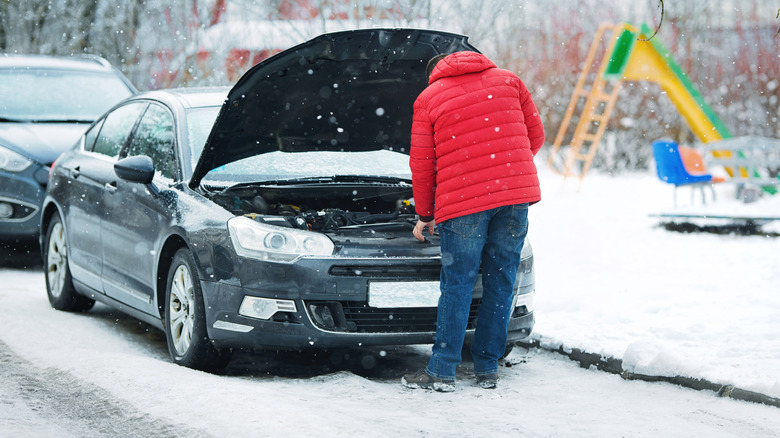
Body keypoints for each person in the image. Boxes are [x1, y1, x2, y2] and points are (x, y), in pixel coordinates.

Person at [401, 51, 544, 391]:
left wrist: (424, 215)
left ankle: (442, 370)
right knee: (500, 280)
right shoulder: (509, 81)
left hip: (463, 203)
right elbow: (534, 137)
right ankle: (487, 369)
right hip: (514, 197)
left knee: (458, 283)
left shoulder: (429, 98)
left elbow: (422, 165)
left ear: (434, 73)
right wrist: (503, 174)